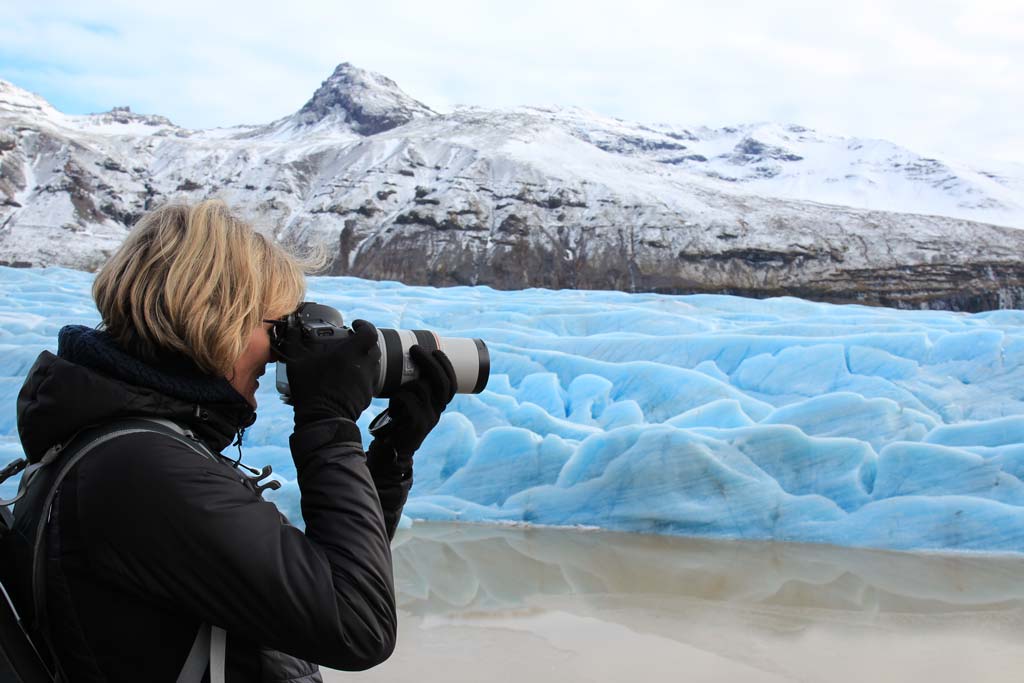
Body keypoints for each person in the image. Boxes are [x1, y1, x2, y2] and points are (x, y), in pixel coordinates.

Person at [5, 200, 456, 681]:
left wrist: (388, 459)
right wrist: (328, 423)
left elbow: (319, 580)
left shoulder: (128, 449)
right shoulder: (140, 469)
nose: (282, 351)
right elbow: (355, 622)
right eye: (276, 327)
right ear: (218, 315)